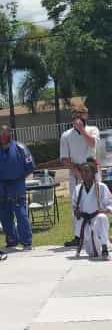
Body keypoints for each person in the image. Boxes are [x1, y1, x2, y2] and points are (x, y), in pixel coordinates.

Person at [60, 105, 100, 247]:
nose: (77, 117)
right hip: (76, 172)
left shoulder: (93, 130)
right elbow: (64, 158)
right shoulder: (66, 135)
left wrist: (82, 130)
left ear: (86, 116)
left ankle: (97, 233)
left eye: (80, 114)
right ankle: (78, 236)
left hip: (92, 170)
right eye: (75, 115)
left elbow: (92, 143)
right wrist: (77, 172)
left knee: (96, 201)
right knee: (76, 204)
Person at [0, 125, 35, 250]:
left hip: (16, 184)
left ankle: (26, 241)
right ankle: (11, 239)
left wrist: (19, 178)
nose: (4, 136)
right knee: (4, 214)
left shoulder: (20, 148)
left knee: (20, 213)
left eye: (6, 133)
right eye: (1, 133)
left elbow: (30, 166)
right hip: (0, 185)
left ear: (10, 134)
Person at [73, 160, 112, 260]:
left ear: (93, 173)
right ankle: (105, 243)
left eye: (87, 171)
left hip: (98, 223)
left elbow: (110, 204)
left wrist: (103, 210)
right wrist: (77, 213)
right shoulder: (78, 189)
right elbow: (75, 209)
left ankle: (104, 246)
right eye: (82, 171)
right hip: (85, 224)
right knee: (92, 253)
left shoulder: (102, 187)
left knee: (101, 217)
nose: (83, 174)